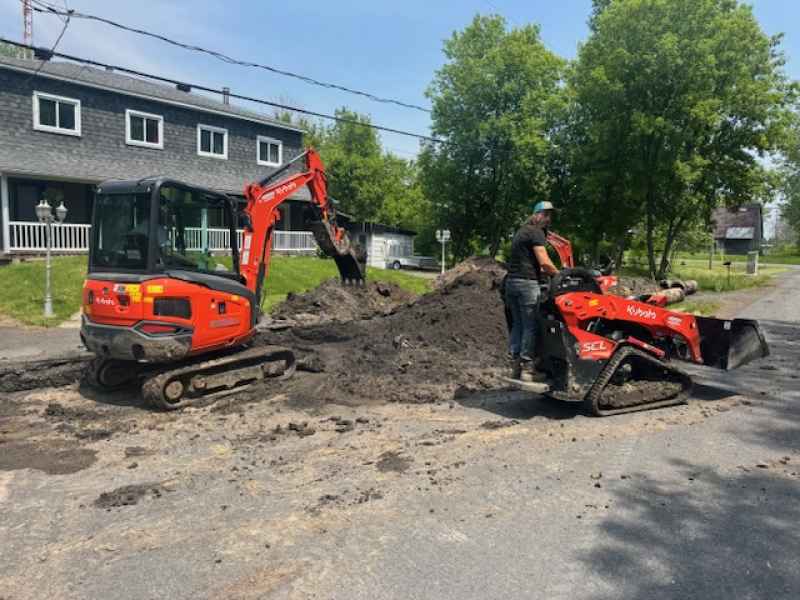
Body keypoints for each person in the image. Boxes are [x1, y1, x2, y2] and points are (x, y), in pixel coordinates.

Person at [505, 201, 559, 381]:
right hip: (527, 284)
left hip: (511, 283)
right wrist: (561, 276)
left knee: (518, 324)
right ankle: (528, 368)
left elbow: (534, 263)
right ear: (536, 214)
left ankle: (514, 364)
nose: (547, 219)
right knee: (530, 325)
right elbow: (544, 262)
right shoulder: (536, 233)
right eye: (545, 215)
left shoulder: (521, 231)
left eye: (549, 216)